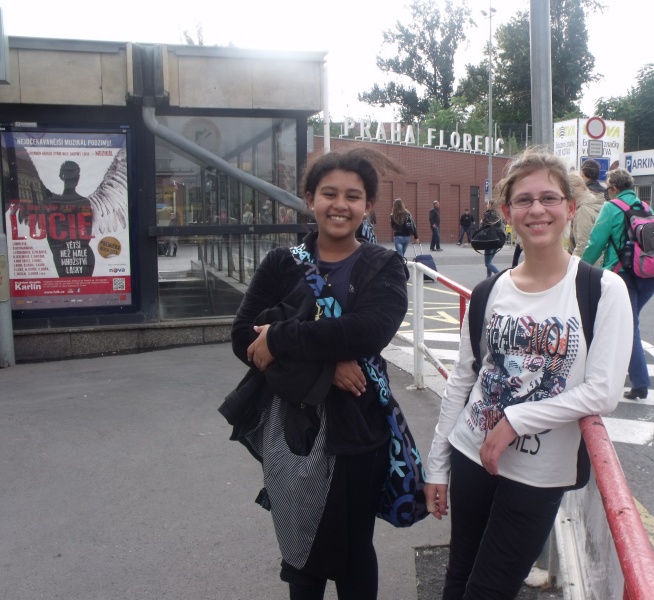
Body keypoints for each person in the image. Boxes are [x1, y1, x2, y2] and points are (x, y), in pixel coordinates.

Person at [424, 148, 633, 600]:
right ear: (508, 214)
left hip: (538, 472)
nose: (537, 209)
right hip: (471, 451)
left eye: (549, 198)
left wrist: (517, 420)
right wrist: (436, 465)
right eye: (524, 200)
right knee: (457, 578)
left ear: (570, 208)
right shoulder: (489, 291)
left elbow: (603, 392)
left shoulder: (601, 290)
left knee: (488, 591)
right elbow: (463, 380)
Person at [230, 147, 408, 600]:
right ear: (310, 199)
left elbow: (369, 331)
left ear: (368, 205)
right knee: (300, 555)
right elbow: (242, 338)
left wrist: (280, 337)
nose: (340, 205)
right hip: (292, 430)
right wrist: (326, 365)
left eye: (353, 196)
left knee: (354, 551)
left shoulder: (383, 265)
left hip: (358, 429)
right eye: (329, 193)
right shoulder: (281, 263)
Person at [582, 168, 654, 400]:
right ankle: (625, 372)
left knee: (628, 326)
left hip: (624, 274)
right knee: (627, 323)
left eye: (608, 189)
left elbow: (596, 242)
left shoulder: (611, 208)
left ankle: (640, 383)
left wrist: (580, 269)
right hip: (650, 275)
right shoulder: (646, 207)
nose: (608, 193)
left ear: (615, 188)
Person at [42, 160, 95, 277]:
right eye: (70, 174)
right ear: (62, 176)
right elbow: (51, 235)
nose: (73, 178)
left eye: (75, 174)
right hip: (71, 255)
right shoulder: (54, 203)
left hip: (78, 256)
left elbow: (87, 234)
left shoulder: (83, 202)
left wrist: (60, 253)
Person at [568, 171, 604, 264]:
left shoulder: (583, 210)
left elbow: (583, 244)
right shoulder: (597, 203)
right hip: (602, 262)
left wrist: (570, 266)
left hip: (590, 265)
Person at [479, 200, 504, 278]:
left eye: (488, 204)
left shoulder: (488, 214)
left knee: (488, 263)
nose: (487, 205)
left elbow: (484, 226)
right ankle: (488, 277)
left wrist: (481, 222)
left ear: (490, 205)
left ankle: (500, 275)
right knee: (490, 261)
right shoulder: (498, 215)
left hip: (489, 240)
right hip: (497, 240)